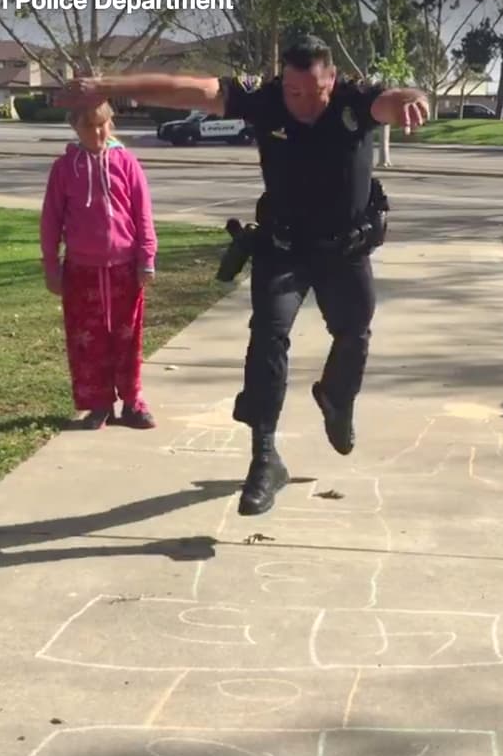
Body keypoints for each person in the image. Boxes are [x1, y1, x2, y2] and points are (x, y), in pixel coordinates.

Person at [56, 35, 429, 515]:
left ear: (331, 79)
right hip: (284, 247)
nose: (304, 103)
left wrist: (414, 99)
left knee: (354, 333)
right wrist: (105, 85)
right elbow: (187, 90)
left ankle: (336, 398)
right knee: (268, 336)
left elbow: (396, 99)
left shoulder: (354, 99)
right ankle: (264, 459)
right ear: (282, 82)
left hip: (344, 250)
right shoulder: (264, 98)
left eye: (315, 91)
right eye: (294, 92)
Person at [41, 97, 158, 430]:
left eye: (102, 123)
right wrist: (51, 265)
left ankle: (133, 402)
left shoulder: (127, 163)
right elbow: (51, 220)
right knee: (87, 339)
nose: (96, 132)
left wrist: (146, 257)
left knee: (127, 336)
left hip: (124, 267)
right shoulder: (64, 169)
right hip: (81, 270)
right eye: (88, 126)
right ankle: (99, 403)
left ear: (111, 122)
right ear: (74, 127)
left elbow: (143, 213)